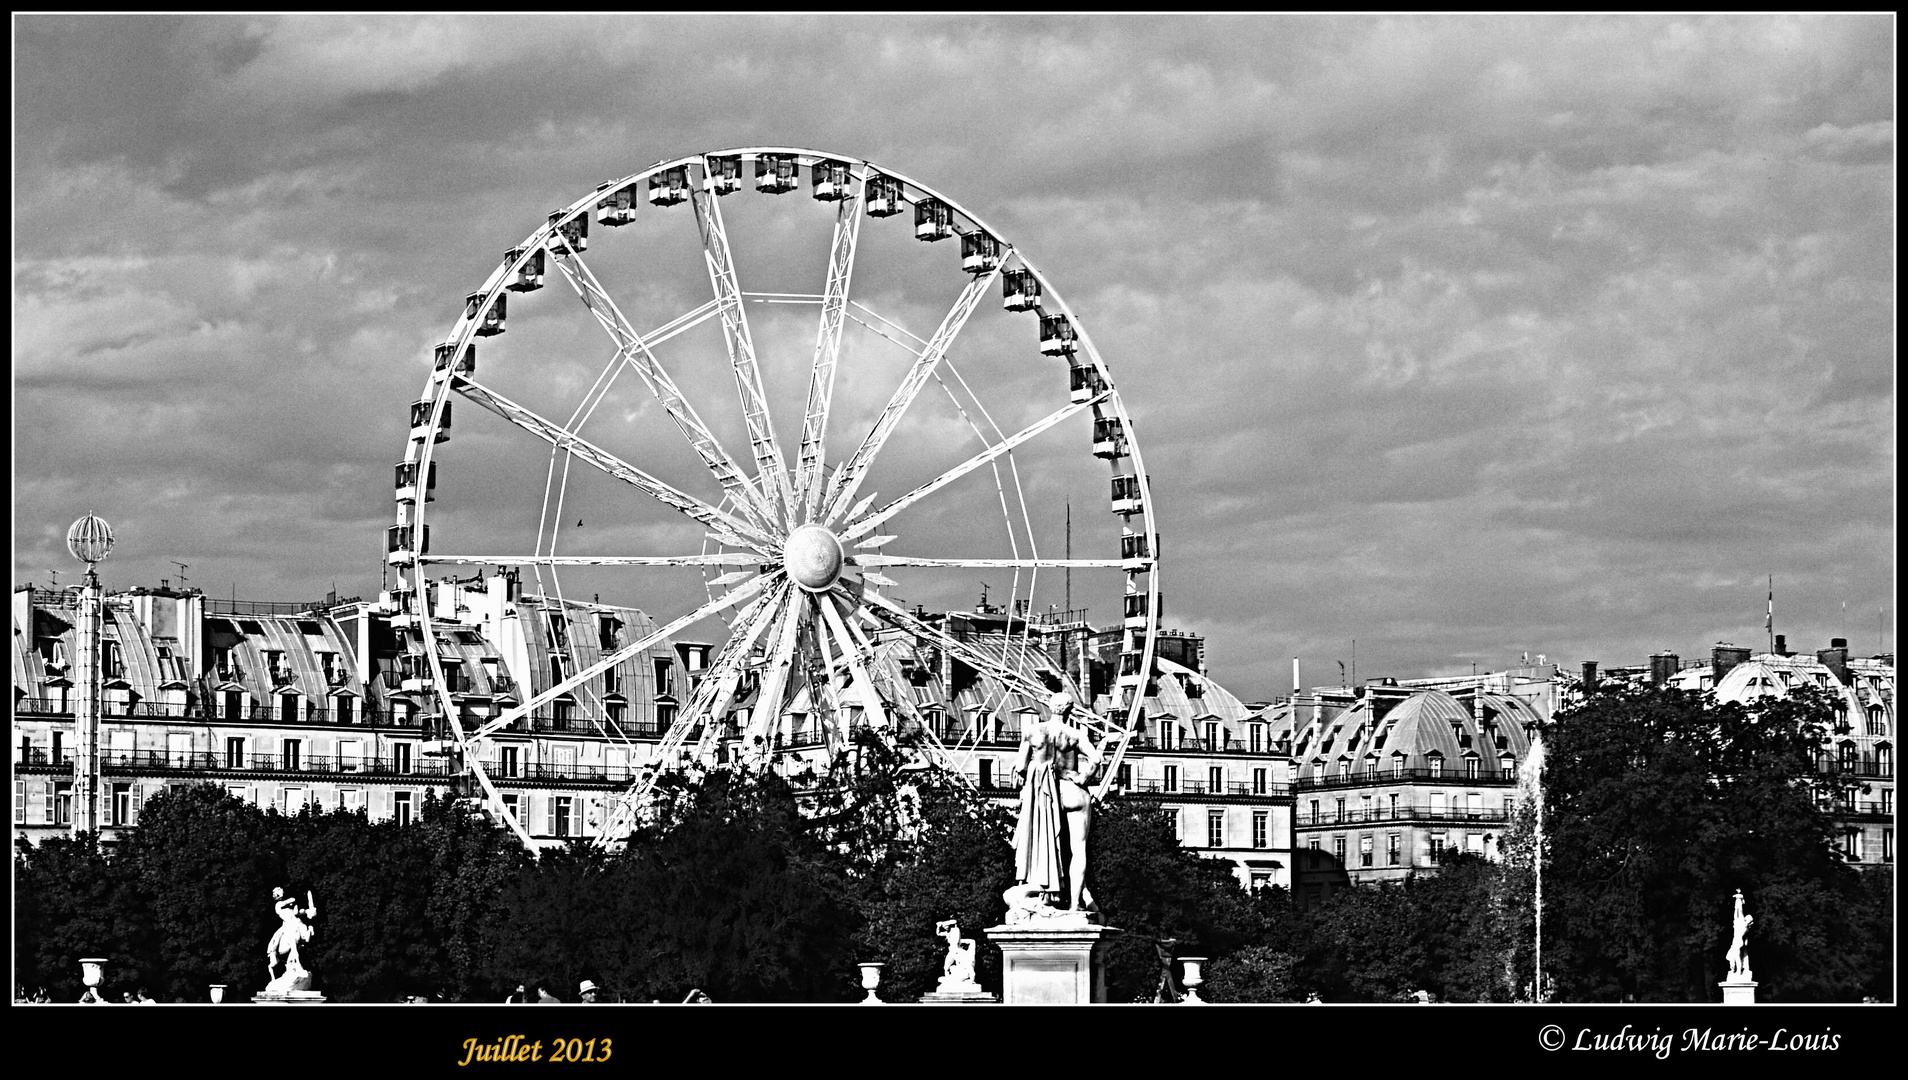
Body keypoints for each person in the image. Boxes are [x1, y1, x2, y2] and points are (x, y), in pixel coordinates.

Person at [1011, 691, 1101, 913]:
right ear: (1070, 710)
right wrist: (1082, 778)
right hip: (1072, 789)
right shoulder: (1075, 735)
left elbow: (1021, 767)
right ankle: (1074, 904)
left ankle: (1046, 898)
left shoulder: (1033, 731)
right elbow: (1096, 759)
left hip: (1045, 794)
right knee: (1078, 849)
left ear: (1049, 707)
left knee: (1045, 846)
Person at [265, 886, 318, 992]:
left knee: (305, 930)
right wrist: (293, 900)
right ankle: (276, 952)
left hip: (297, 924)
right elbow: (291, 900)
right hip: (288, 926)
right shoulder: (278, 905)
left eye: (281, 890)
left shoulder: (290, 908)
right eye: (279, 891)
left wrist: (310, 911)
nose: (282, 892)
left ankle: (308, 933)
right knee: (279, 937)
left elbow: (299, 912)